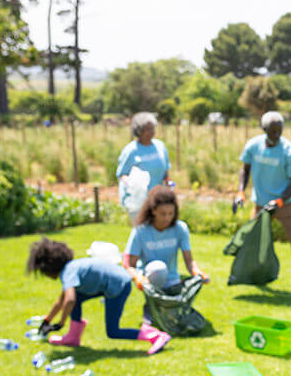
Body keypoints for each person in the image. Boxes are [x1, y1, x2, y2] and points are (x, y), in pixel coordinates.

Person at [26, 238, 171, 355]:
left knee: (113, 331)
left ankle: (156, 336)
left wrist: (60, 323)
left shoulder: (68, 273)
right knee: (77, 298)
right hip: (117, 280)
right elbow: (62, 300)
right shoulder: (72, 266)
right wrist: (47, 320)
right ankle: (73, 337)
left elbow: (69, 300)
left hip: (118, 287)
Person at [233, 111, 291, 303]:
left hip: (285, 205)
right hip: (260, 203)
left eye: (279, 131)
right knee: (252, 242)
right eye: (272, 131)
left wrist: (279, 201)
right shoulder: (253, 146)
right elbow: (244, 169)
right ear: (264, 130)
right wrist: (240, 192)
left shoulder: (289, 151)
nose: (276, 134)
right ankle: (254, 278)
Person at [124, 186, 209, 319]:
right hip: (149, 278)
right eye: (163, 213)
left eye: (171, 213)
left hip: (172, 280)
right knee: (159, 268)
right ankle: (150, 307)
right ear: (153, 211)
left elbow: (189, 260)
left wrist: (197, 272)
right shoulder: (140, 231)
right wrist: (138, 278)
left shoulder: (180, 229)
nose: (167, 218)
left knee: (173, 316)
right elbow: (130, 265)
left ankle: (159, 309)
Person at [116, 112, 172, 220]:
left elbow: (166, 172)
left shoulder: (160, 146)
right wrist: (133, 184)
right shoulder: (131, 151)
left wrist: (169, 185)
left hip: (158, 198)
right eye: (148, 129)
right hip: (138, 201)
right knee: (143, 231)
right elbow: (122, 174)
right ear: (139, 131)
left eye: (153, 129)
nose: (152, 132)